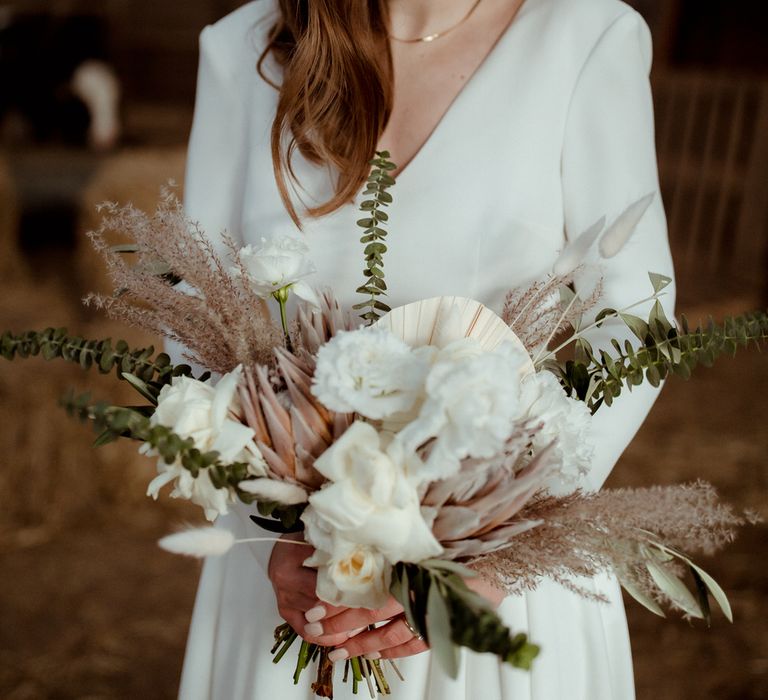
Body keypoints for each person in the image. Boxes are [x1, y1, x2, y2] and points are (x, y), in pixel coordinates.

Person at [173, 0, 676, 697]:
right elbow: (193, 311)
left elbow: (638, 315)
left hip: (497, 584)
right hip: (294, 575)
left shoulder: (586, 36)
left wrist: (503, 542)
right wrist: (264, 516)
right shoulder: (242, 49)